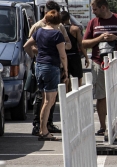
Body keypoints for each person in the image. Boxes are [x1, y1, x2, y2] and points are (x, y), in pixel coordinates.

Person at [82, 0, 117, 136]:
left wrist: (115, 38)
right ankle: (102, 126)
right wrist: (100, 38)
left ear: (103, 7)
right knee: (101, 96)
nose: (94, 12)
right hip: (99, 63)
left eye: (95, 9)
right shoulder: (93, 22)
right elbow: (84, 43)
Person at [22, 10, 68, 140]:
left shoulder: (39, 31)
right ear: (58, 21)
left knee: (44, 99)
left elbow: (26, 46)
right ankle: (44, 131)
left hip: (39, 66)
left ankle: (42, 129)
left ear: (46, 20)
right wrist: (66, 70)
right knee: (49, 101)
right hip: (51, 67)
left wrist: (34, 57)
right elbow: (63, 55)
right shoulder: (57, 34)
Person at [61, 11, 89, 87]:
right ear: (69, 18)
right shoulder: (75, 29)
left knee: (66, 77)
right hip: (74, 56)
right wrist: (86, 57)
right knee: (78, 77)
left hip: (63, 56)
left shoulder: (58, 29)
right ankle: (78, 92)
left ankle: (67, 94)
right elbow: (80, 44)